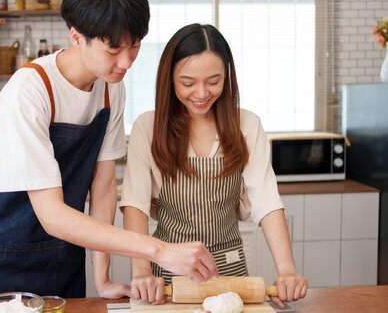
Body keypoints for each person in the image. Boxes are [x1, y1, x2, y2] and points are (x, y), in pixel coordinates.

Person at [0, 0, 218, 303]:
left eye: (135, 45)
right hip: (1, 255)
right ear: (77, 36)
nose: (125, 62)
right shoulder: (29, 91)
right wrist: (159, 250)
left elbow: (104, 185)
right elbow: (52, 214)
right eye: (113, 50)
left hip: (63, 254)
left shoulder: (112, 89)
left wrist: (103, 277)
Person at [120, 23, 308, 307]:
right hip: (169, 280)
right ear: (169, 78)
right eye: (188, 82)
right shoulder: (148, 127)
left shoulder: (246, 124)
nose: (201, 93)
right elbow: (135, 205)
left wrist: (287, 271)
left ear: (227, 77)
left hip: (231, 276)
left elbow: (267, 202)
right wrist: (142, 272)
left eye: (213, 81)